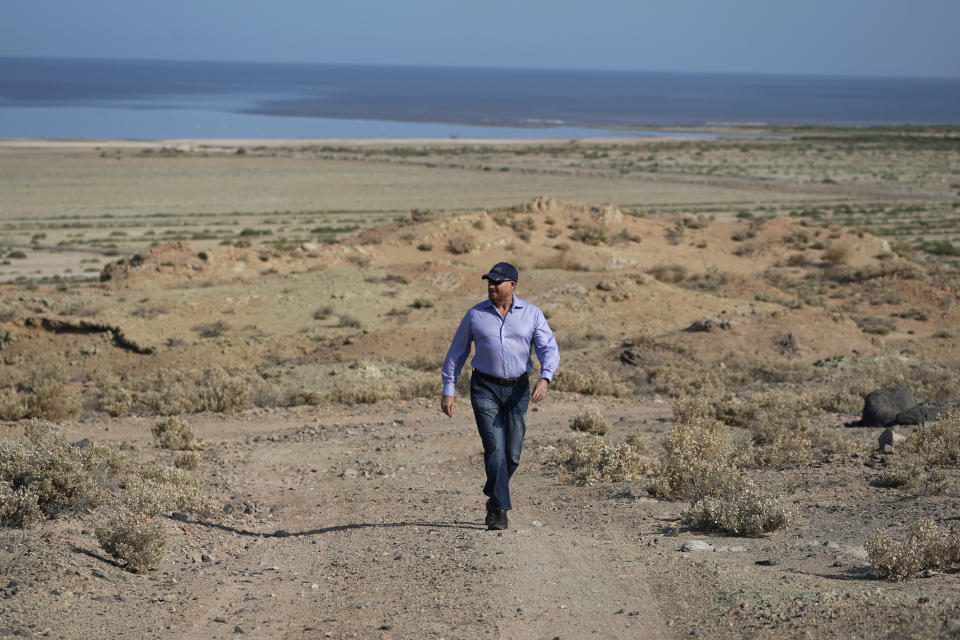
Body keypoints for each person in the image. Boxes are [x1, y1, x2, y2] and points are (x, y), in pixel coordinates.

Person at [441, 261, 559, 530]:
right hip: (484, 387)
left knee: (513, 453)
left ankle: (495, 487)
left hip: (518, 388)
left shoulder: (531, 313)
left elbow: (548, 349)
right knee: (494, 446)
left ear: (512, 285)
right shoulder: (475, 315)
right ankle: (499, 509)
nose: (492, 286)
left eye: (498, 282)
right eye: (489, 282)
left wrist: (545, 377)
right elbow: (456, 354)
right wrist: (449, 389)